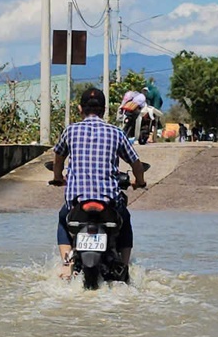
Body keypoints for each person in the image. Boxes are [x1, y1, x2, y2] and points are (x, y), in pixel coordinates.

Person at [51, 86, 148, 280]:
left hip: (78, 203)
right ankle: (124, 264)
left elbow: (58, 158)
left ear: (80, 109)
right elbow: (135, 162)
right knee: (125, 219)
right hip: (108, 203)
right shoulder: (116, 133)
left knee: (63, 218)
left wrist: (57, 177)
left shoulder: (70, 131)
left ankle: (66, 264)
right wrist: (140, 181)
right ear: (104, 110)